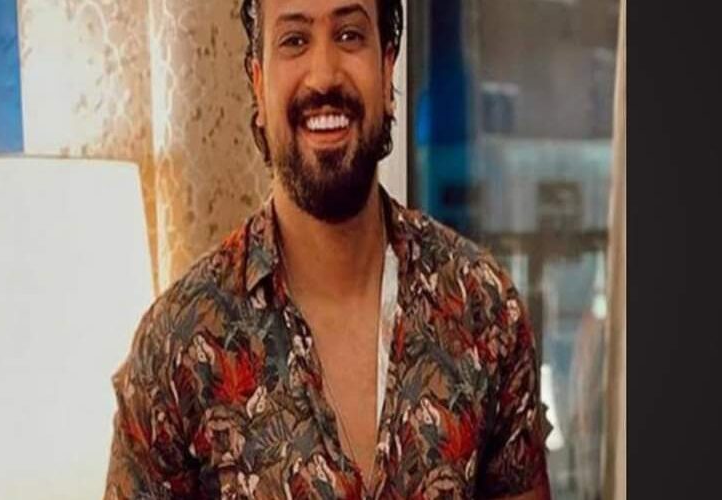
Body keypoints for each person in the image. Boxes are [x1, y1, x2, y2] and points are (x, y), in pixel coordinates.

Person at [105, 1, 551, 497]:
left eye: (349, 35)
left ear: (386, 70)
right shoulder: (178, 346)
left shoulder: (482, 309)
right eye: (294, 40)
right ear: (259, 83)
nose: (324, 75)